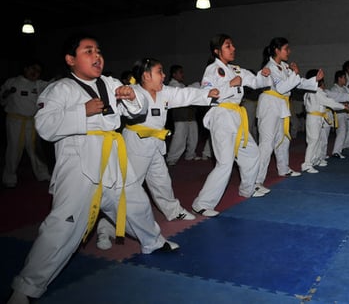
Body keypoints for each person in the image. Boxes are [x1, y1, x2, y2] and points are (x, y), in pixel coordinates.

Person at [6, 34, 179, 304]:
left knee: (136, 203)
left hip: (112, 157)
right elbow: (45, 126)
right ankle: (27, 287)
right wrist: (82, 112)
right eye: (88, 51)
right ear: (70, 59)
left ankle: (153, 241)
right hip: (78, 162)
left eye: (98, 50)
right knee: (64, 225)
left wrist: (131, 96)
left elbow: (138, 109)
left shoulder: (109, 84)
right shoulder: (59, 89)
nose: (96, 55)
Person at [96, 57, 220, 248]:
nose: (163, 76)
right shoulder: (133, 93)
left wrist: (207, 95)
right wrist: (124, 95)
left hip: (155, 144)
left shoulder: (164, 92)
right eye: (159, 72)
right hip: (135, 145)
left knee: (161, 180)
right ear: (146, 76)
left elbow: (185, 94)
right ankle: (106, 227)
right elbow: (122, 109)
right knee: (128, 189)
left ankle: (173, 210)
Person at [191, 33, 272, 217]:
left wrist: (264, 75)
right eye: (228, 46)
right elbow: (207, 94)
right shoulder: (212, 69)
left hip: (236, 116)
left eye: (233, 45)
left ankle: (247, 189)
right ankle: (201, 203)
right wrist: (230, 84)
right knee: (225, 163)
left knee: (252, 153)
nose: (233, 48)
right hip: (221, 115)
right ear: (217, 51)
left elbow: (256, 82)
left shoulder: (236, 69)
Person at [255, 37, 323, 183]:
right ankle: (256, 180)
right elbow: (281, 88)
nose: (289, 51)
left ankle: (284, 168)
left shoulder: (285, 67)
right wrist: (294, 74)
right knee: (266, 144)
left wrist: (314, 80)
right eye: (286, 49)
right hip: (269, 105)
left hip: (281, 105)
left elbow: (297, 82)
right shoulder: (269, 67)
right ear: (276, 50)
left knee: (284, 139)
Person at [0, 59, 51, 188]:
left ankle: (43, 174)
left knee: (35, 149)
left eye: (38, 71)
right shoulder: (12, 82)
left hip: (32, 122)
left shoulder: (39, 84)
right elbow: (2, 96)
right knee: (14, 149)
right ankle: (9, 177)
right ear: (25, 69)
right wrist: (5, 95)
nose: (35, 73)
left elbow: (53, 85)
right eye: (33, 69)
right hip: (14, 121)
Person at [301, 70, 346, 173]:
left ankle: (315, 160)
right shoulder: (315, 91)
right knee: (313, 141)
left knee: (317, 140)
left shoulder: (312, 91)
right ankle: (307, 164)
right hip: (314, 118)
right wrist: (343, 106)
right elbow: (329, 102)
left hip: (317, 118)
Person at [165, 64, 202, 165]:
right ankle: (171, 158)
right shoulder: (172, 85)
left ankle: (190, 154)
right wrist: (198, 84)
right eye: (180, 72)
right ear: (174, 74)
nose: (183, 74)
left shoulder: (181, 85)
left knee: (193, 135)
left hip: (189, 114)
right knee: (180, 137)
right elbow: (185, 92)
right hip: (180, 115)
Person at [326, 70, 349, 159]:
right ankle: (336, 151)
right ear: (339, 78)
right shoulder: (334, 89)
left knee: (344, 132)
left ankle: (339, 149)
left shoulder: (345, 88)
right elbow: (336, 100)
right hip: (338, 113)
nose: (345, 79)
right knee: (341, 132)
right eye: (344, 77)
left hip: (345, 113)